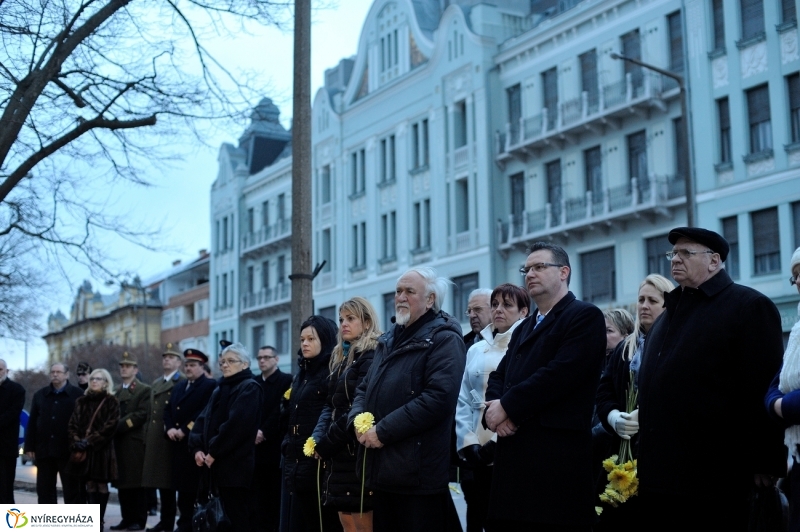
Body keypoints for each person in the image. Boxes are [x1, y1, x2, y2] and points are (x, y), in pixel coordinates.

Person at [637, 227, 785, 529]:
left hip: (716, 479)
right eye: (673, 253)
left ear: (714, 261)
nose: (675, 259)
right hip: (659, 478)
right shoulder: (668, 315)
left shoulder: (748, 307)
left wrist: (765, 461)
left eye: (686, 253)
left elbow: (762, 386)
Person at [483, 242, 606, 531]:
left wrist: (508, 407)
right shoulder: (525, 326)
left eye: (539, 267)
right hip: (513, 457)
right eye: (526, 269)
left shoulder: (584, 316)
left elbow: (560, 375)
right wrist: (494, 410)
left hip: (555, 460)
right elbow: (500, 374)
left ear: (564, 272)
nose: (529, 274)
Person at [349, 267, 466, 532]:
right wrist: (357, 421)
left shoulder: (444, 339)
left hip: (418, 476)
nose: (400, 297)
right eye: (398, 291)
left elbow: (438, 398)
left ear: (430, 299)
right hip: (383, 471)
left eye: (409, 291)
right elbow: (364, 388)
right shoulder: (388, 339)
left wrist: (383, 431)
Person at [593, 274, 673, 527]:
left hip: (663, 458)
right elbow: (604, 391)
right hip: (622, 454)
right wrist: (613, 417)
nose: (644, 306)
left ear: (668, 305)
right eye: (641, 300)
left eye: (653, 300)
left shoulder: (676, 344)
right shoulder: (625, 348)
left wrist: (647, 413)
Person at [456, 283, 529, 532]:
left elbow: (527, 399)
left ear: (523, 312)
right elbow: (463, 398)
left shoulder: (528, 347)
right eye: (495, 304)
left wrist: (496, 445)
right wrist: (467, 443)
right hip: (476, 447)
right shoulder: (475, 348)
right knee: (477, 517)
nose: (498, 310)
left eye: (507, 305)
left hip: (511, 447)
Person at [312, 298, 381, 532]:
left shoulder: (371, 355)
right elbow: (330, 405)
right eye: (341, 319)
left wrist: (326, 444)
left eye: (351, 319)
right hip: (338, 456)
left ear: (367, 322)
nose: (343, 324)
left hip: (356, 452)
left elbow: (357, 408)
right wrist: (317, 438)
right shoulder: (342, 358)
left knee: (362, 524)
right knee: (347, 523)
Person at [190, 342, 262, 532]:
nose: (225, 365)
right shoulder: (220, 388)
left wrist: (214, 452)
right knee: (216, 519)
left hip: (235, 467)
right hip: (212, 466)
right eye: (222, 362)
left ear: (245, 364)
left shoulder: (250, 387)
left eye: (231, 361)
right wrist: (197, 448)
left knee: (236, 517)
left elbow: (236, 426)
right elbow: (202, 421)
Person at [282, 315, 342, 532]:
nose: (305, 344)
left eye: (311, 339)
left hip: (320, 460)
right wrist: (287, 443)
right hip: (297, 459)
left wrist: (321, 445)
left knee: (324, 523)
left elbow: (332, 413)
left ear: (325, 340)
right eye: (302, 339)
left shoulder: (332, 371)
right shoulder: (302, 373)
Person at [766, 246, 800, 530]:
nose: (797, 281)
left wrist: (781, 406)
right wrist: (779, 404)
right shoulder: (797, 330)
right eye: (794, 276)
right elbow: (772, 388)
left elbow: (782, 401)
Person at [165, 349, 217, 532]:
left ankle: (191, 525)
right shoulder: (180, 386)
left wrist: (184, 430)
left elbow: (203, 412)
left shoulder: (209, 386)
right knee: (181, 490)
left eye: (193, 365)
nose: (188, 368)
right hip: (177, 445)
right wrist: (170, 428)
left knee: (192, 489)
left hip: (195, 445)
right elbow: (168, 410)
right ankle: (184, 523)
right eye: (186, 365)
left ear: (202, 367)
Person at [24, 362, 84, 503]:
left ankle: (75, 517)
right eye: (52, 372)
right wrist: (29, 446)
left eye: (58, 372)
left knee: (72, 491)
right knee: (45, 492)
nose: (55, 375)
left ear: (67, 375)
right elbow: (32, 422)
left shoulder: (78, 395)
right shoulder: (40, 395)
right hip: (45, 451)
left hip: (68, 451)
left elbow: (83, 422)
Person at [68, 368, 121, 527]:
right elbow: (72, 424)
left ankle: (99, 520)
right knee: (89, 484)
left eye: (98, 379)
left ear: (106, 382)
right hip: (83, 451)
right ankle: (91, 520)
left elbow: (110, 426)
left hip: (102, 450)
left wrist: (89, 441)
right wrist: (77, 441)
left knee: (101, 484)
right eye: (92, 379)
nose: (94, 381)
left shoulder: (111, 401)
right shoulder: (81, 401)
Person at [142, 344, 185, 532]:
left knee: (168, 483)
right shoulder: (157, 382)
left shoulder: (181, 381)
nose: (166, 359)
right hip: (155, 437)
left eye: (171, 357)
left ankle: (169, 521)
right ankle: (164, 521)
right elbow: (150, 412)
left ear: (179, 362)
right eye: (165, 357)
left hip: (169, 437)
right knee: (159, 481)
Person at [252, 345, 292, 532]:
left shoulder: (286, 380)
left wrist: (264, 432)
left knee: (273, 497)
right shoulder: (254, 382)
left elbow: (280, 410)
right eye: (259, 357)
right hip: (254, 447)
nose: (262, 360)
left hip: (273, 446)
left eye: (267, 357)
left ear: (276, 359)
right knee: (257, 499)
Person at [111, 352, 152, 531]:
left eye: (128, 366)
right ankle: (126, 518)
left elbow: (141, 414)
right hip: (119, 442)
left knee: (136, 484)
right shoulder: (118, 391)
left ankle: (139, 519)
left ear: (135, 370)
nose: (124, 369)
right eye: (122, 366)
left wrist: (117, 426)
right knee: (122, 484)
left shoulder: (143, 390)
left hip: (134, 441)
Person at [0, 359, 24, 504]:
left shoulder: (17, 390)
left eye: (0, 369)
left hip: (6, 448)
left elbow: (13, 413)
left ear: (6, 371)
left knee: (5, 490)